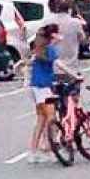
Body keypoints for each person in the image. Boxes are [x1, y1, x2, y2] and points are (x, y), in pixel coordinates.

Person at [28, 23, 63, 164]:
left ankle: (33, 151)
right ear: (54, 35)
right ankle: (49, 149)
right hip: (44, 87)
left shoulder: (40, 49)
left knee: (41, 120)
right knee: (51, 119)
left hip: (36, 86)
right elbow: (59, 65)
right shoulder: (50, 49)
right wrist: (74, 75)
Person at [46, 0, 87, 67]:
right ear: (70, 7)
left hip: (52, 67)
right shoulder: (75, 23)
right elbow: (83, 41)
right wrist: (83, 25)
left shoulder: (48, 22)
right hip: (70, 67)